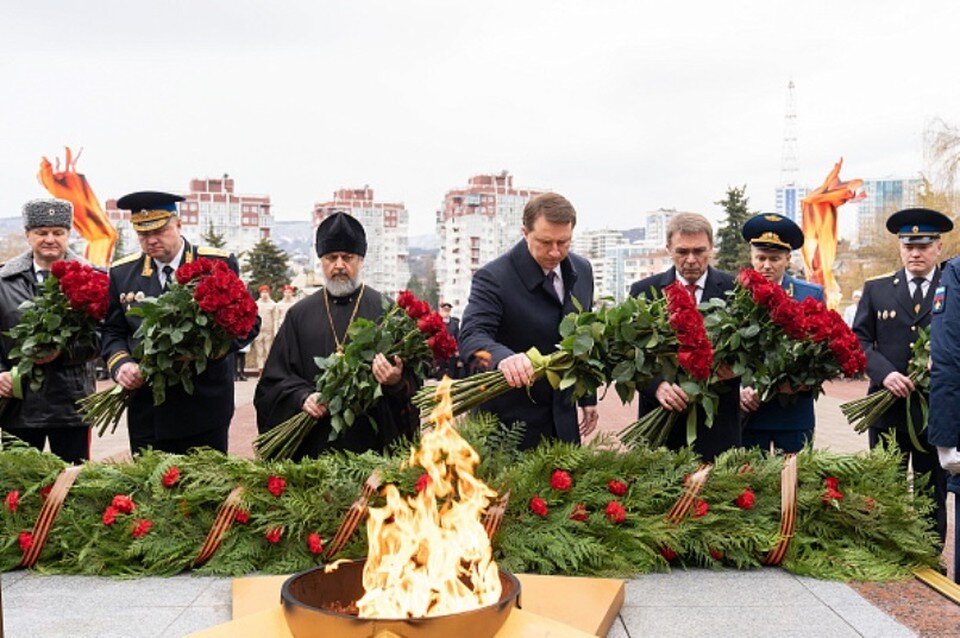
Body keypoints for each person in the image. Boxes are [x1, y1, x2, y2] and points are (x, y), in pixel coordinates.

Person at [101, 191, 259, 455]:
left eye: (160, 231)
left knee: (205, 490)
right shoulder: (122, 273)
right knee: (150, 491)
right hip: (148, 408)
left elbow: (248, 322)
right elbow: (113, 331)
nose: (151, 241)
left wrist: (204, 351)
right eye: (142, 235)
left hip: (204, 406)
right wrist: (121, 364)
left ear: (178, 224)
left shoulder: (216, 264)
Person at [254, 212, 420, 459]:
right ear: (321, 261)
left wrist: (395, 381)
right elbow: (272, 384)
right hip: (313, 450)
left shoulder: (387, 312)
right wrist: (302, 398)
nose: (339, 265)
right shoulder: (299, 315)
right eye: (332, 258)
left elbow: (414, 384)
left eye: (347, 257)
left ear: (360, 260)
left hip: (372, 452)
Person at [458, 193, 597, 450]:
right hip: (507, 431)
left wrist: (587, 398)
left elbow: (582, 337)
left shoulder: (583, 269)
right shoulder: (493, 277)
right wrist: (502, 358)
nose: (555, 252)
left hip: (563, 425)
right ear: (525, 232)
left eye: (563, 242)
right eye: (545, 242)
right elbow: (471, 337)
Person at [853, 207, 951, 543]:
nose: (915, 253)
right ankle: (887, 549)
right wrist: (885, 374)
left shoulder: (952, 287)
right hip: (887, 407)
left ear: (939, 247)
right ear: (900, 248)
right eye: (908, 245)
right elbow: (859, 340)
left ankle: (927, 551)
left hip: (935, 409)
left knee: (931, 488)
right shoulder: (877, 289)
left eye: (923, 246)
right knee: (885, 486)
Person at [629, 212, 739, 461]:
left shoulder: (736, 291)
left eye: (699, 251)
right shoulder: (644, 292)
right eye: (682, 251)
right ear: (668, 248)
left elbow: (753, 354)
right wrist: (656, 386)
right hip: (660, 426)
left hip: (718, 427)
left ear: (711, 247)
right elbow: (629, 355)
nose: (691, 259)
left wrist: (736, 369)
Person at [0, 198, 99, 464]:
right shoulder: (4, 281)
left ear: (69, 235)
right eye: (42, 232)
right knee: (18, 488)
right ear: (28, 235)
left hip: (71, 406)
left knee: (71, 487)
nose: (50, 239)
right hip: (18, 406)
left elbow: (102, 337)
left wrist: (62, 352)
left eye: (58, 232)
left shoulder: (92, 278)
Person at [738, 214, 824, 453]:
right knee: (747, 484)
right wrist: (740, 389)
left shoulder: (810, 296)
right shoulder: (734, 295)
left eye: (774, 258)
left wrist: (800, 381)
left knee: (796, 483)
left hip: (793, 411)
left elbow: (821, 352)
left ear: (787, 258)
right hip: (749, 412)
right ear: (751, 257)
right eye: (761, 258)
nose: (767, 265)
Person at [251, 284, 277, 370]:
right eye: (263, 292)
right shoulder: (256, 304)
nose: (264, 294)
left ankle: (268, 370)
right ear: (260, 293)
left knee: (268, 352)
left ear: (269, 293)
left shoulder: (273, 305)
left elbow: (275, 319)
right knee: (259, 353)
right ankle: (260, 371)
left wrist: (275, 331)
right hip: (259, 332)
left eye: (266, 292)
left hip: (268, 332)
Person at [435, 302, 461, 379]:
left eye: (448, 310)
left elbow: (457, 337)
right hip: (440, 351)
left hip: (451, 351)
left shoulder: (454, 323)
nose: (446, 311)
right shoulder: (437, 322)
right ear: (441, 310)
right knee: (441, 370)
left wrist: (457, 350)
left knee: (451, 371)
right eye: (444, 309)